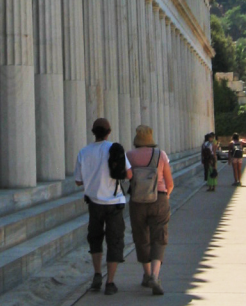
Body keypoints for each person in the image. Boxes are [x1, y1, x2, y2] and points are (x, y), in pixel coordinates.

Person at [74, 118, 132, 295]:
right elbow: (129, 175)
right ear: (108, 132)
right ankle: (110, 282)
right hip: (114, 203)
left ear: (93, 132)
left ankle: (97, 273)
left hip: (94, 204)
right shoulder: (114, 148)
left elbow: (78, 181)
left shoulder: (83, 152)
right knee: (114, 241)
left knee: (95, 239)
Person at [126, 124, 174, 296]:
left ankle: (146, 274)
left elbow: (127, 177)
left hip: (137, 201)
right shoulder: (160, 155)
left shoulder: (129, 156)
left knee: (141, 237)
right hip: (159, 198)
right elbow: (170, 183)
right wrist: (165, 196)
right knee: (159, 237)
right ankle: (155, 275)